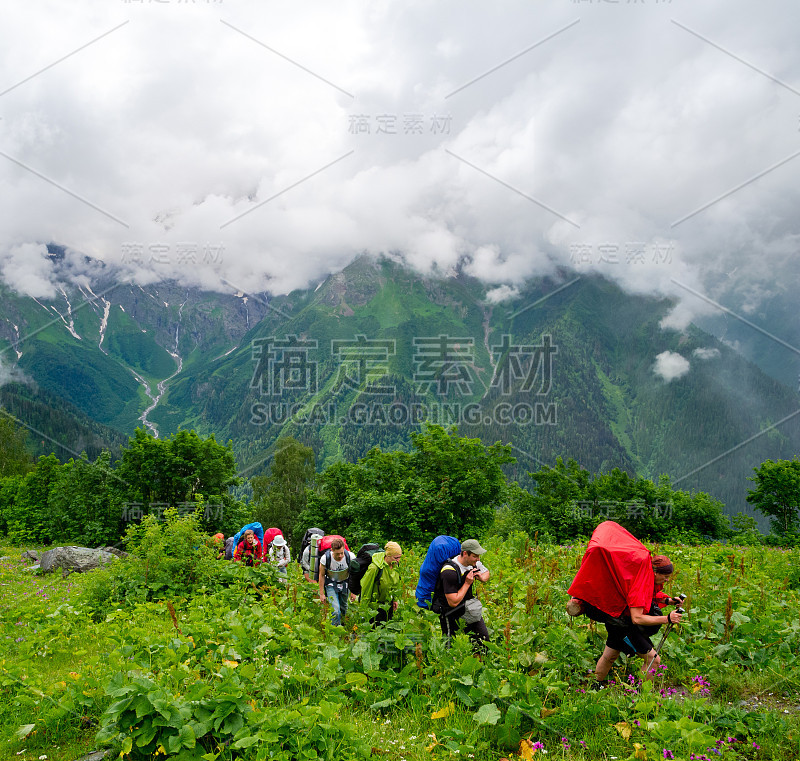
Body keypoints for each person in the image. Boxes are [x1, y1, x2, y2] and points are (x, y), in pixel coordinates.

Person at [591, 555, 685, 684]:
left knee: (609, 656)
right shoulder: (640, 586)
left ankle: (595, 686)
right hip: (624, 626)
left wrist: (668, 600)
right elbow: (637, 618)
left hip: (616, 621)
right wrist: (667, 618)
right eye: (666, 577)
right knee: (653, 660)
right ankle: (642, 695)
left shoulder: (644, 579)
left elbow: (650, 596)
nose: (667, 580)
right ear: (655, 572)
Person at [434, 539, 491, 649]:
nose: (478, 559)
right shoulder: (449, 571)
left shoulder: (473, 563)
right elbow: (453, 602)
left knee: (483, 642)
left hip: (469, 608)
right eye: (475, 556)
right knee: (450, 647)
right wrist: (467, 583)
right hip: (450, 612)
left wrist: (482, 578)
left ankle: (478, 664)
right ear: (465, 553)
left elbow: (486, 572)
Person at [360, 541, 403, 625]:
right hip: (375, 606)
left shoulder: (395, 566)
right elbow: (366, 588)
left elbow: (395, 584)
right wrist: (364, 608)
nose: (398, 560)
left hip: (388, 604)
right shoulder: (375, 568)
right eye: (396, 558)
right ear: (388, 555)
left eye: (399, 557)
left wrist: (395, 600)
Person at [318, 538, 357, 627]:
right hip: (331, 584)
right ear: (332, 550)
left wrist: (353, 592)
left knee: (344, 608)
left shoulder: (350, 557)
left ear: (344, 549)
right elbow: (321, 575)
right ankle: (335, 630)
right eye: (337, 554)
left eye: (342, 553)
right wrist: (321, 593)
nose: (340, 556)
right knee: (335, 610)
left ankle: (342, 626)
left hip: (345, 584)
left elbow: (354, 574)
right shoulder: (325, 559)